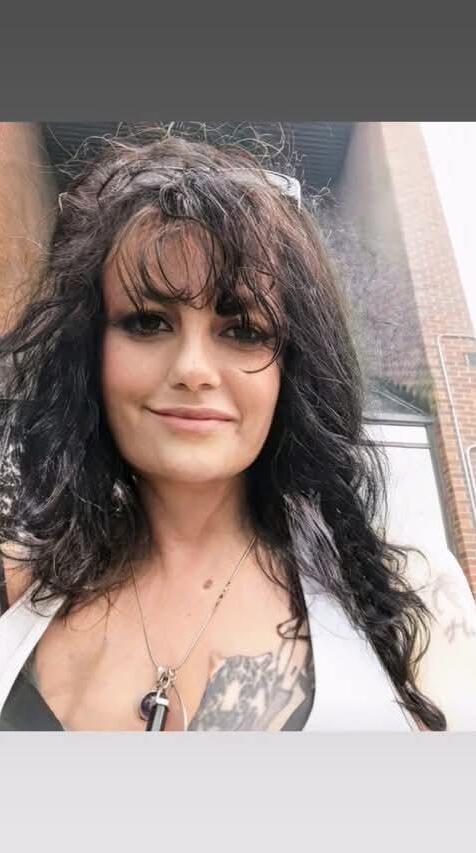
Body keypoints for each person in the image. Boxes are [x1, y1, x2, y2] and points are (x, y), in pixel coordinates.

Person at [0, 130, 475, 732]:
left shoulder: (410, 593)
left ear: (291, 369)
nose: (192, 369)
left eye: (244, 330)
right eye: (147, 322)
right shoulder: (19, 579)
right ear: (90, 354)